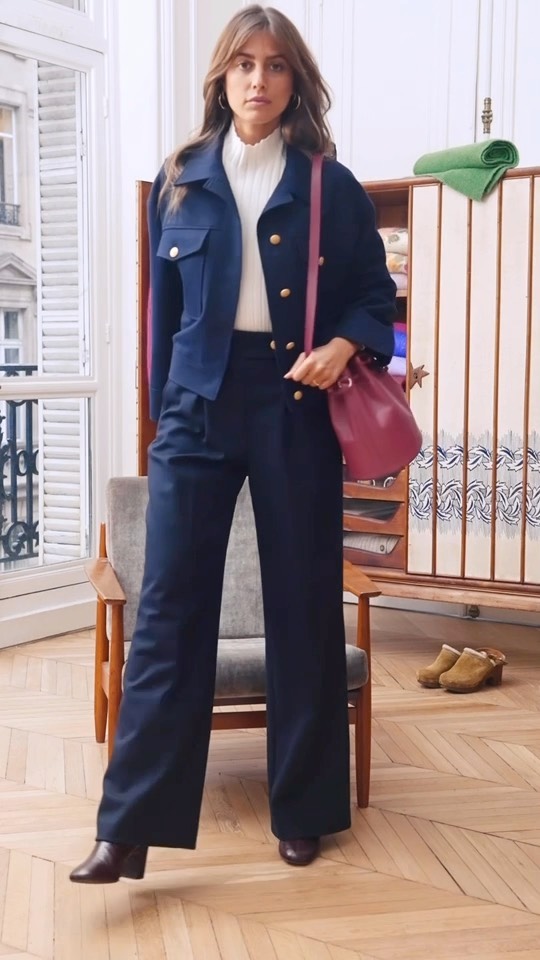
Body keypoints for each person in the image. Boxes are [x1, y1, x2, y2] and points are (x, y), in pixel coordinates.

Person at [70, 4, 396, 884]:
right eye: (244, 63)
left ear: (295, 80)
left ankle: (306, 809)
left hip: (295, 402)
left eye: (275, 64)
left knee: (302, 604)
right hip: (196, 409)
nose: (259, 79)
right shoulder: (179, 177)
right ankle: (128, 828)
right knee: (168, 613)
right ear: (222, 75)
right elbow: (162, 319)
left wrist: (342, 346)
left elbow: (375, 298)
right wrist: (163, 419)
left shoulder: (331, 185)